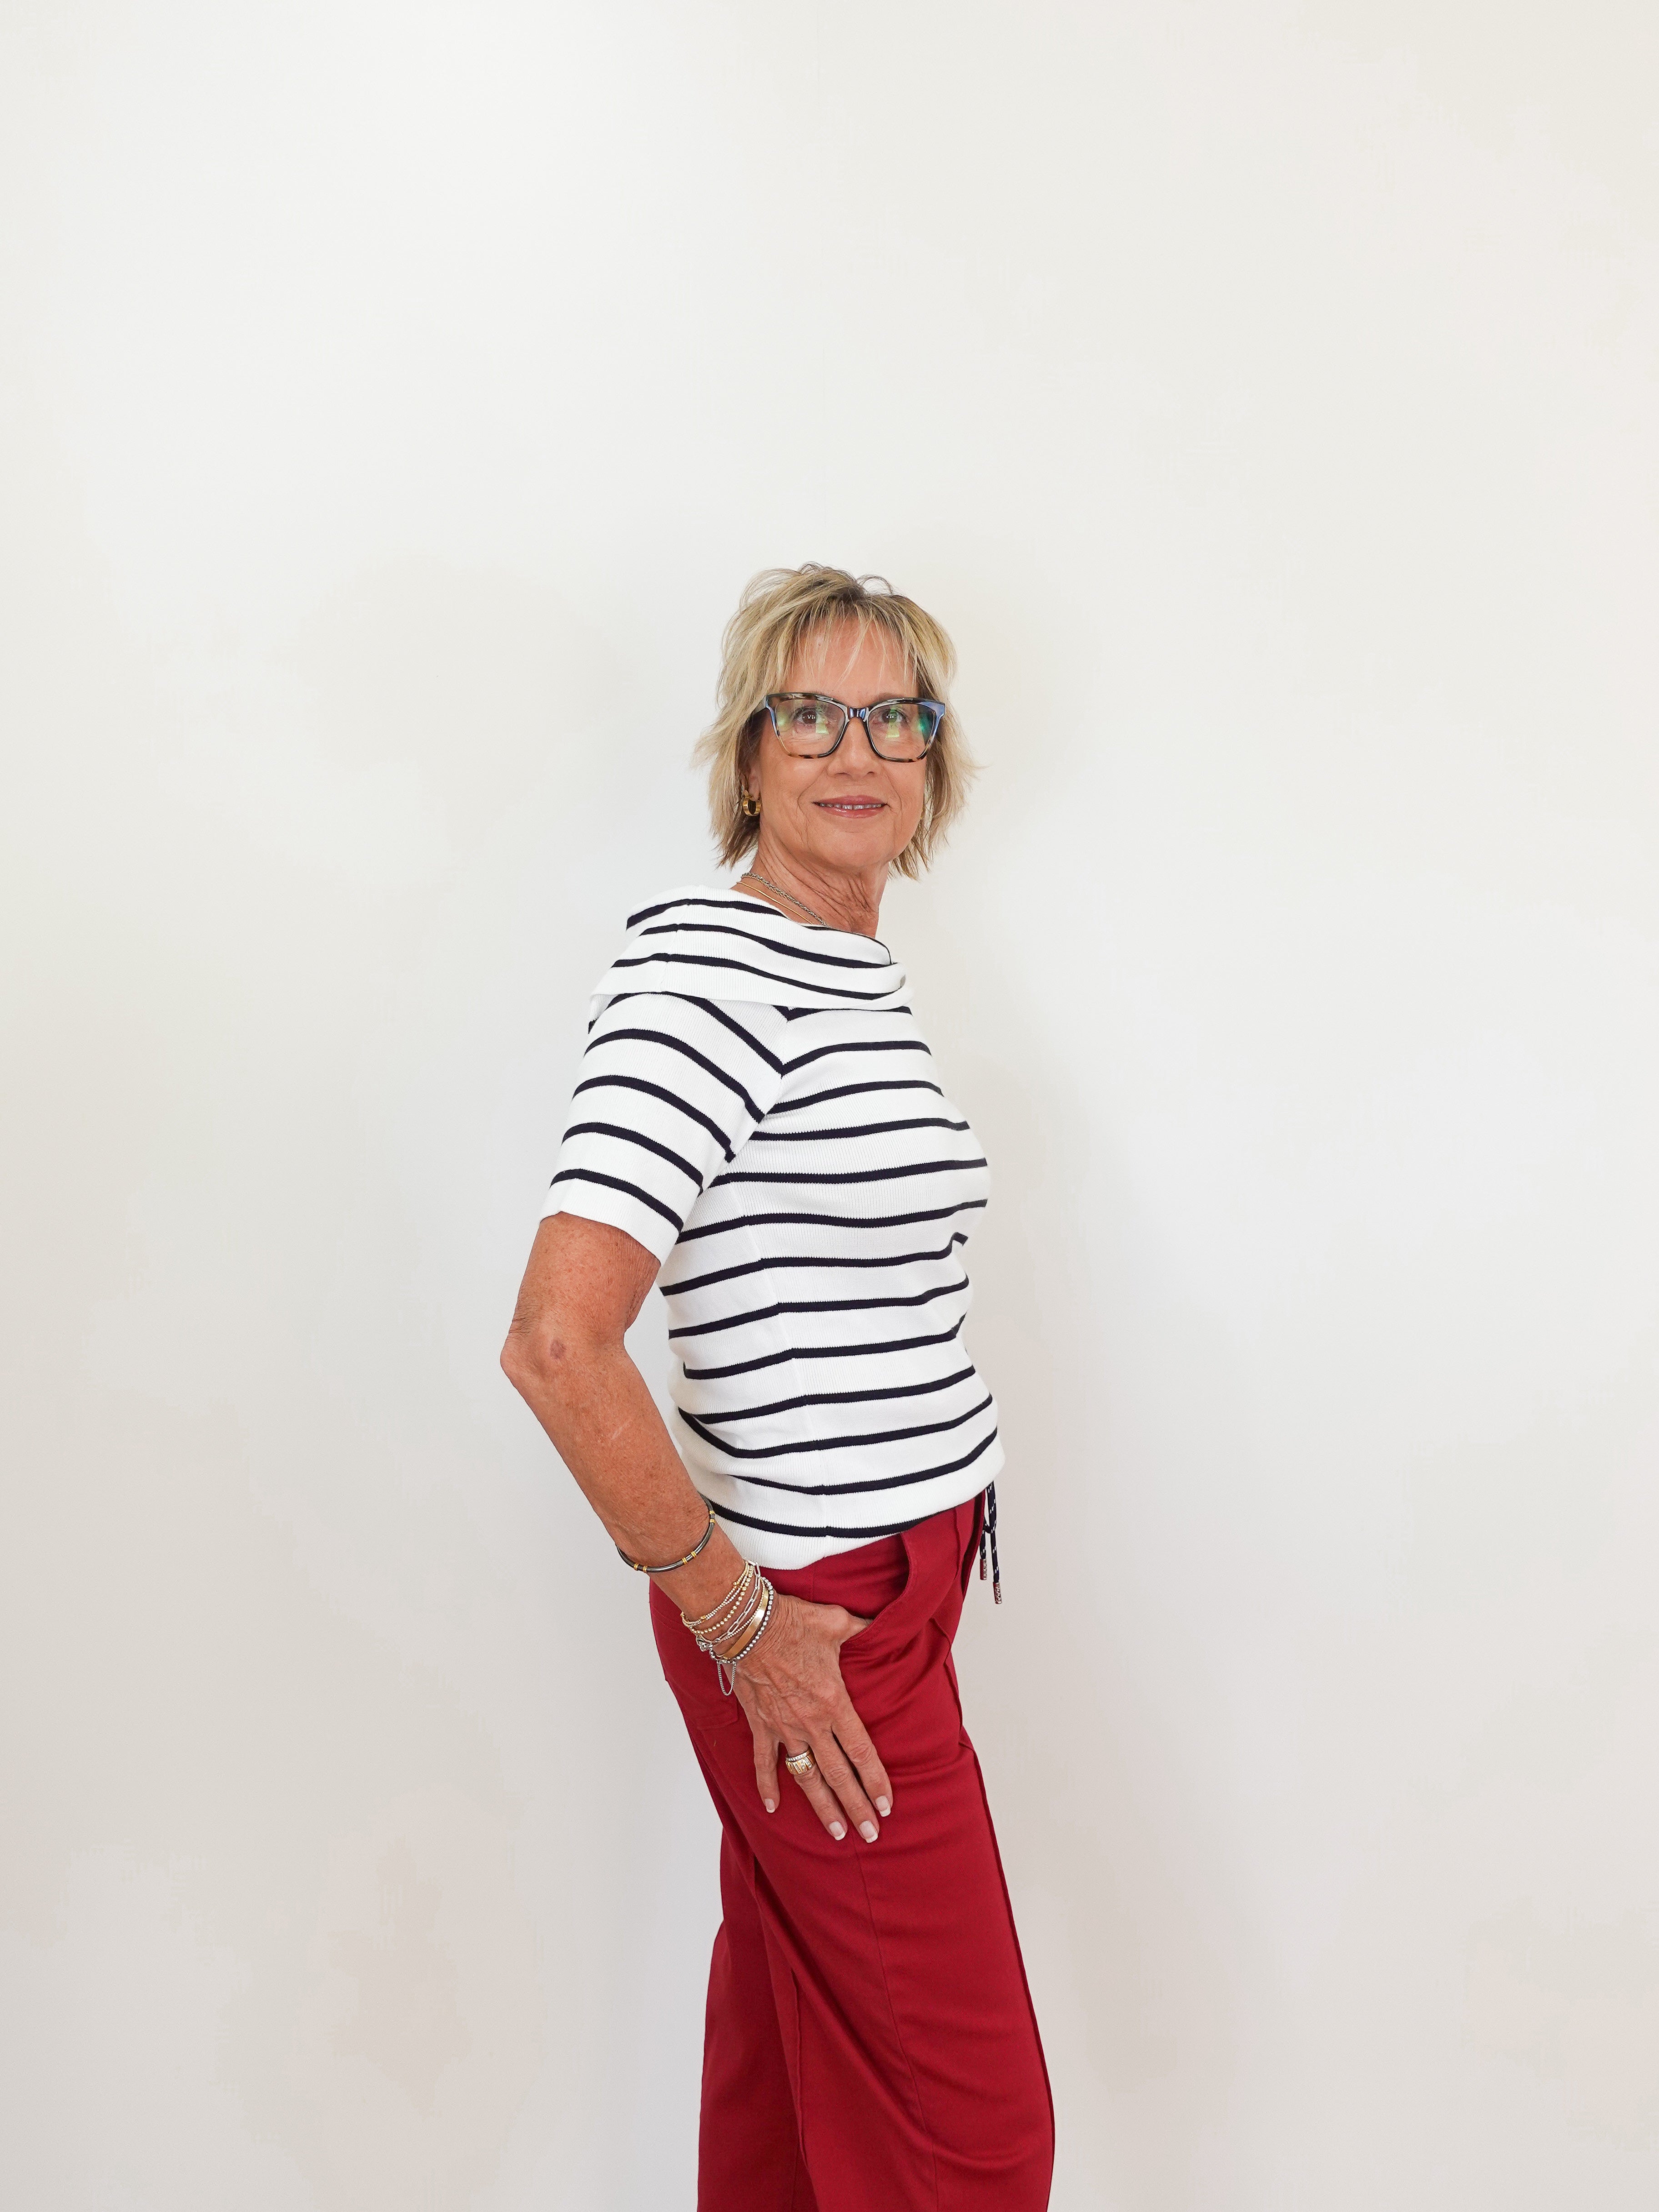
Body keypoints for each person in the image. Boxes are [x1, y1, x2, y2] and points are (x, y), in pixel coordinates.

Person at [502, 564, 1053, 2209]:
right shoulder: (711, 975)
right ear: (748, 753)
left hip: (899, 1591)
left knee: (788, 2075)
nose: (855, 745)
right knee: (975, 2138)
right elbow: (555, 1339)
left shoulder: (848, 973)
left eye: (897, 712)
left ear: (934, 761)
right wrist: (743, 1626)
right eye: (810, 709)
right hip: (816, 1620)